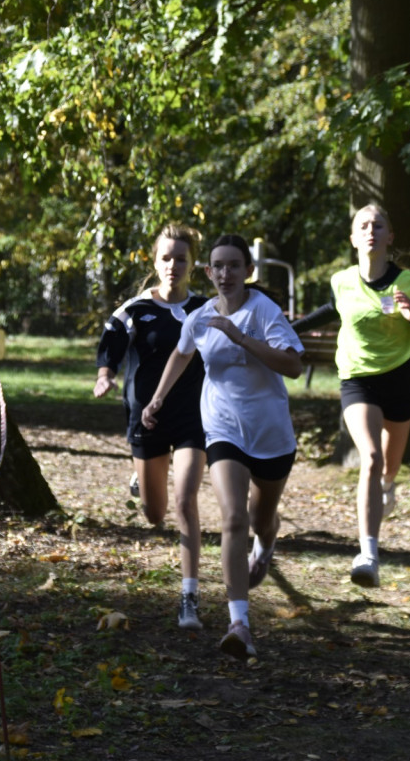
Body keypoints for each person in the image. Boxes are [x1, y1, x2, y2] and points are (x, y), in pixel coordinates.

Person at [142, 234, 304, 661]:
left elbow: (293, 364)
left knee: (260, 519)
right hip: (223, 430)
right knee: (232, 517)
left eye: (235, 266)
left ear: (248, 271)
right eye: (218, 266)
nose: (226, 274)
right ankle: (240, 624)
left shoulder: (264, 312)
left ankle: (266, 545)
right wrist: (158, 398)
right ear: (209, 272)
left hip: (271, 435)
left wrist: (241, 337)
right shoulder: (200, 316)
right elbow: (181, 353)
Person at [292, 204, 410, 589]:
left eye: (378, 225)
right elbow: (331, 310)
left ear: (390, 236)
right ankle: (368, 554)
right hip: (357, 380)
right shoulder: (343, 281)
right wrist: (288, 328)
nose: (370, 231)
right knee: (372, 458)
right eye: (362, 225)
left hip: (399, 380)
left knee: (388, 471)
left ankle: (387, 488)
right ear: (352, 238)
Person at [93, 224, 208, 631]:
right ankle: (142, 477)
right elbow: (111, 343)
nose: (173, 265)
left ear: (193, 264)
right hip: (147, 415)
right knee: (155, 515)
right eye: (166, 258)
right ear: (154, 262)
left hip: (193, 418)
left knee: (185, 502)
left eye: (181, 258)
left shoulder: (205, 308)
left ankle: (189, 597)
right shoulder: (135, 308)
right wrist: (105, 374)